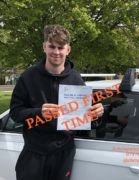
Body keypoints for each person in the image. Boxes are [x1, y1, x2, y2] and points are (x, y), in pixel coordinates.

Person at [10, 24, 104, 180]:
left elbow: (84, 117)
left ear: (68, 50)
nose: (56, 52)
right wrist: (38, 113)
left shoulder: (76, 79)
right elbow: (15, 112)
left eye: (61, 48)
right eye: (52, 46)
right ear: (44, 47)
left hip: (64, 153)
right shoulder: (28, 77)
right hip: (34, 151)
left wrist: (97, 113)